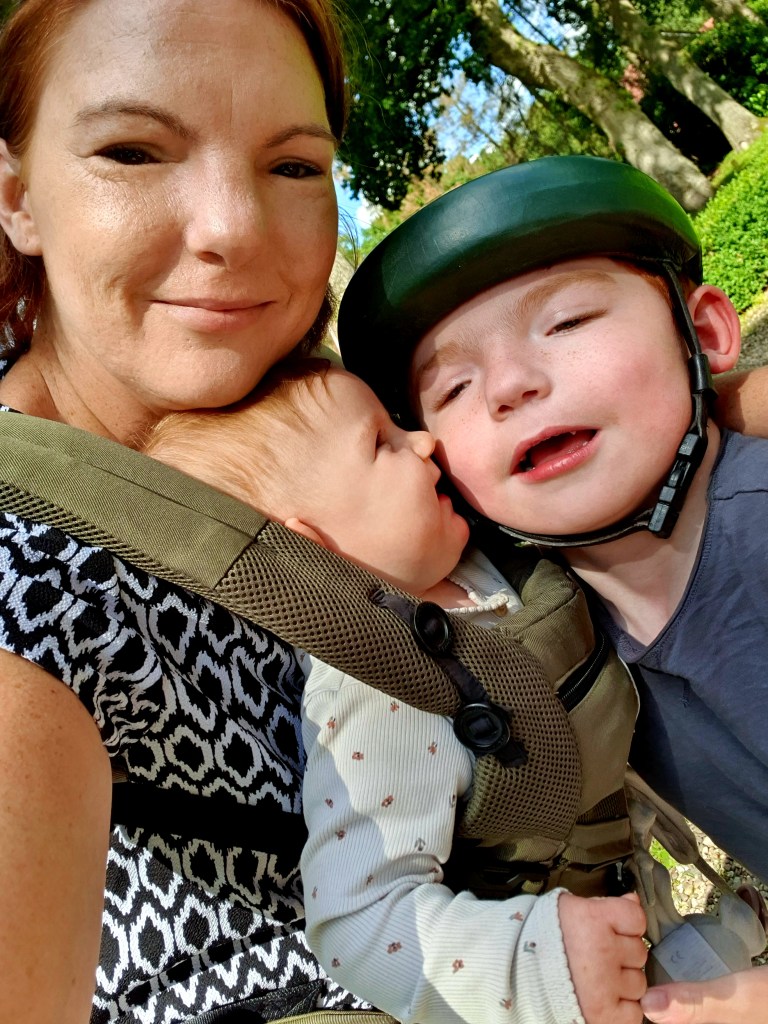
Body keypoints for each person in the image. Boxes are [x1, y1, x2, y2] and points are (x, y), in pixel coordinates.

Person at [336, 155, 768, 1024]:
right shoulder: (558, 641)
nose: (509, 387)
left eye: (567, 321)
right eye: (454, 387)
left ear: (705, 334)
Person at [0, 0, 364, 1020]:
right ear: (18, 199)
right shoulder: (29, 584)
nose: (234, 229)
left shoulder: (334, 412)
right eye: (132, 151)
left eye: (293, 165)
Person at [143, 355, 649, 1024]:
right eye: (382, 443)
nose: (425, 441)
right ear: (310, 549)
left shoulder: (463, 559)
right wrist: (536, 963)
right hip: (567, 966)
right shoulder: (379, 693)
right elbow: (360, 924)